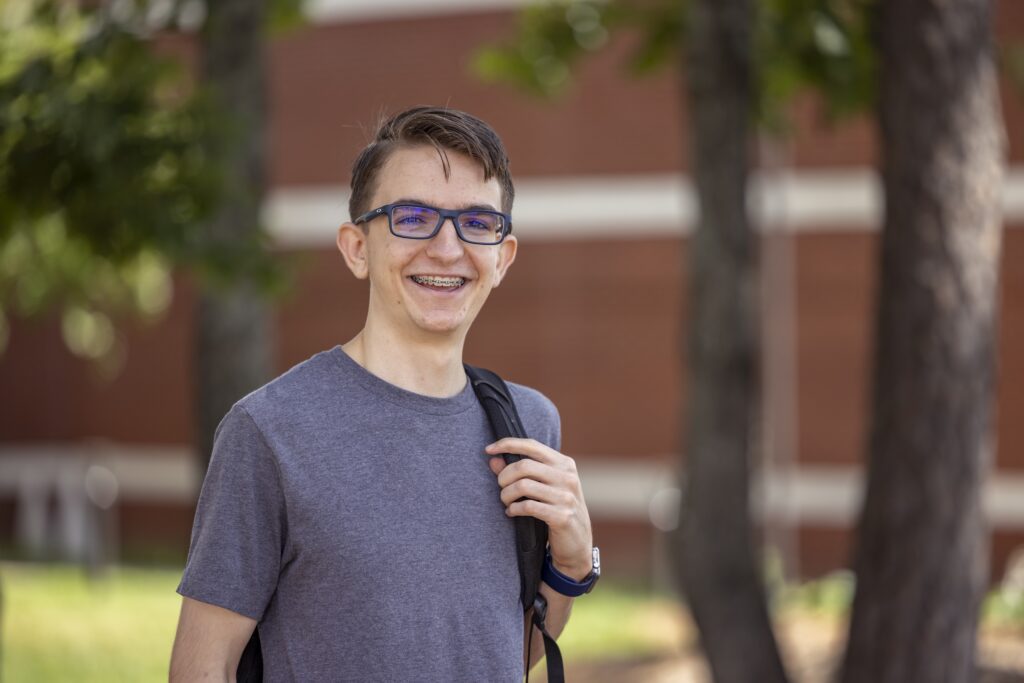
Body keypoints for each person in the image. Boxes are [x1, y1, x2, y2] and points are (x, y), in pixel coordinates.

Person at [169, 106, 597, 682]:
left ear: (502, 258)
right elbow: (203, 668)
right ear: (356, 248)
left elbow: (495, 655)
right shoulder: (270, 432)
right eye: (413, 217)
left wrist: (571, 565)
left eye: (476, 222)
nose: (447, 249)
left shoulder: (525, 426)